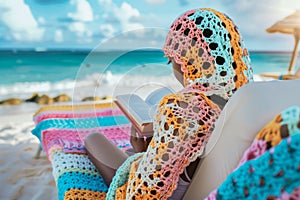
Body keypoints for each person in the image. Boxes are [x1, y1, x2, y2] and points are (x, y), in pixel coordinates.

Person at [85, 8, 253, 199]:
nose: (174, 68)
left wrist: (141, 156)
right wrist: (151, 150)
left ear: (187, 62)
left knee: (94, 139)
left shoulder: (183, 109)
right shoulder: (245, 100)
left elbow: (144, 193)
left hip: (168, 191)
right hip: (203, 184)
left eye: (172, 61)